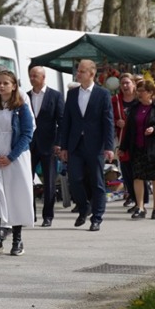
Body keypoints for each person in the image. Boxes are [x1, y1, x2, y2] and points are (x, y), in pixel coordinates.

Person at [56, 59, 115, 232]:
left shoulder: (102, 94)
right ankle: (84, 208)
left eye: (82, 71)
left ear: (91, 73)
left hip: (95, 144)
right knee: (75, 179)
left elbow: (108, 122)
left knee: (97, 181)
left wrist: (109, 146)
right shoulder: (73, 94)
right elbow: (66, 121)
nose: (78, 74)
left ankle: (97, 217)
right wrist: (63, 146)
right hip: (76, 144)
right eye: (78, 71)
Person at [0, 70, 35, 256]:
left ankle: (17, 239)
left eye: (5, 83)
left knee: (15, 195)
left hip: (15, 157)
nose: (1, 86)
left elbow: (27, 134)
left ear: (13, 86)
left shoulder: (21, 107)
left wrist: (11, 156)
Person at [119, 79, 155, 219]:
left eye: (142, 91)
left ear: (150, 93)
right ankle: (140, 207)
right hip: (137, 148)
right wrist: (123, 147)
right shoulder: (135, 108)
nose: (139, 94)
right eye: (138, 91)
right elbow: (129, 130)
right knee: (137, 178)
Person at [28, 65, 63, 227]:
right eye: (31, 75)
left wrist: (59, 143)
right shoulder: (25, 96)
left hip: (49, 143)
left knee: (49, 181)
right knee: (27, 180)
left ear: (43, 77)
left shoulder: (54, 96)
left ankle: (48, 215)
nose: (32, 78)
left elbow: (61, 121)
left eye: (35, 76)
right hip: (28, 144)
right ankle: (30, 214)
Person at [111, 73, 142, 209]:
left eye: (127, 83)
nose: (125, 86)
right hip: (122, 141)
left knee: (138, 171)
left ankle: (140, 200)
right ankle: (131, 194)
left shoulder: (140, 100)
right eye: (122, 83)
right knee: (126, 170)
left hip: (138, 141)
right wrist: (116, 122)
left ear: (133, 84)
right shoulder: (115, 100)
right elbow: (107, 117)